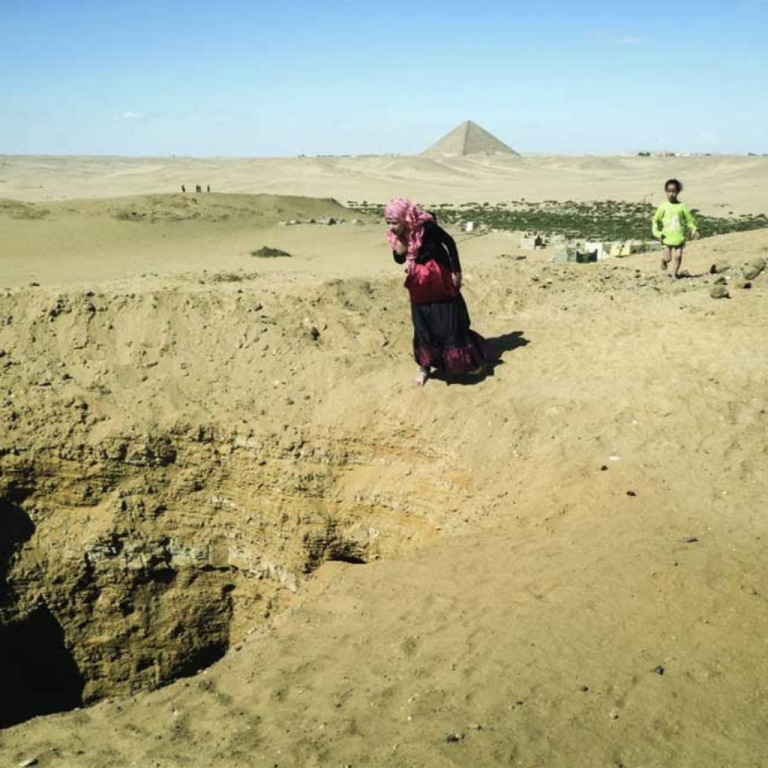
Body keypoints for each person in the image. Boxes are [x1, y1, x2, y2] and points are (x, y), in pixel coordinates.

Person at [385, 197, 489, 386]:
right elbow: (399, 259)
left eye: (394, 222)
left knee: (449, 322)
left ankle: (466, 362)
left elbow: (450, 243)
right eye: (388, 222)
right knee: (422, 324)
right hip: (418, 283)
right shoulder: (397, 236)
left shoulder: (427, 227)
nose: (391, 227)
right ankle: (425, 366)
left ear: (406, 218)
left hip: (440, 279)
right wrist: (398, 251)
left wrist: (456, 271)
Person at [652, 178, 699, 278]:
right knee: (668, 258)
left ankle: (674, 274)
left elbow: (689, 220)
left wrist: (693, 230)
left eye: (674, 191)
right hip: (666, 237)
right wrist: (657, 233)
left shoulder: (682, 206)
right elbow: (655, 220)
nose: (671, 194)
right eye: (669, 191)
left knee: (678, 256)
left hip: (679, 237)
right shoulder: (663, 206)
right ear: (665, 191)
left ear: (678, 192)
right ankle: (663, 261)